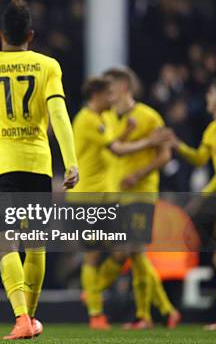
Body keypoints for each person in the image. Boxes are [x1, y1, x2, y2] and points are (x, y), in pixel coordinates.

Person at [0, 0, 79, 340]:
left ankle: (22, 318)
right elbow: (59, 115)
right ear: (31, 35)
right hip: (39, 165)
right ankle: (31, 317)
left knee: (8, 243)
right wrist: (70, 161)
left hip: (3, 165)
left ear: (0, 34)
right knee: (36, 244)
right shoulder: (48, 66)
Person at [71, 77, 172, 329]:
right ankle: (96, 313)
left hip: (108, 197)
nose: (112, 98)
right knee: (94, 254)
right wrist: (149, 141)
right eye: (108, 94)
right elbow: (116, 149)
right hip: (87, 198)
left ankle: (93, 292)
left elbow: (113, 141)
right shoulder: (87, 119)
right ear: (96, 94)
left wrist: (127, 131)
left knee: (123, 250)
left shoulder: (104, 119)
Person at [101, 68, 179, 330]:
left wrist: (138, 174)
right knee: (133, 254)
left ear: (124, 86)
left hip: (141, 192)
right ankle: (162, 310)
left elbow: (166, 154)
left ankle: (145, 314)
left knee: (134, 250)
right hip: (116, 195)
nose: (107, 93)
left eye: (110, 87)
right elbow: (112, 151)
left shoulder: (148, 116)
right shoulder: (109, 117)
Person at [167, 77, 216, 330]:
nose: (207, 98)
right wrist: (177, 145)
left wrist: (201, 198)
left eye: (211, 93)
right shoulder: (214, 128)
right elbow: (200, 158)